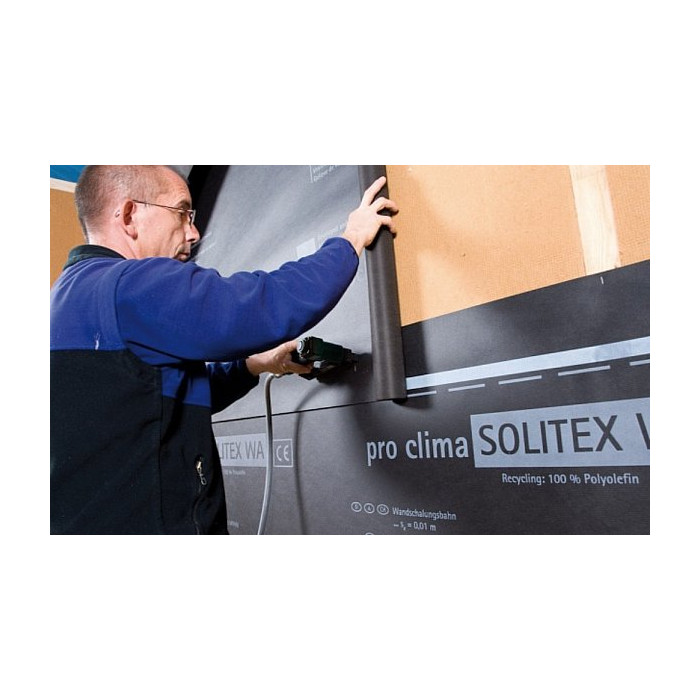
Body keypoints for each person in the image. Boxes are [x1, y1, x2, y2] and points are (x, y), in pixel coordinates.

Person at [50, 165, 398, 534]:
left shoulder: (65, 298)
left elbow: (156, 400)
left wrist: (252, 365)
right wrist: (350, 240)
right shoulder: (129, 286)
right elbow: (263, 304)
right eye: (182, 213)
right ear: (130, 216)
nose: (194, 233)